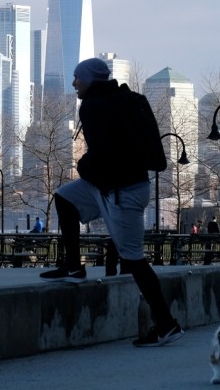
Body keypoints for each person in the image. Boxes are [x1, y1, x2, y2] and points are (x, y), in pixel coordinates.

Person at [39, 58, 184, 347]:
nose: (73, 84)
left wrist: (82, 166)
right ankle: (73, 266)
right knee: (65, 197)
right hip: (115, 185)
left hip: (121, 191)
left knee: (134, 259)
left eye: (77, 78)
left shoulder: (93, 106)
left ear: (90, 80)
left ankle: (167, 324)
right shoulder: (129, 100)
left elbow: (104, 150)